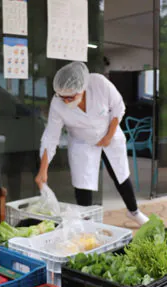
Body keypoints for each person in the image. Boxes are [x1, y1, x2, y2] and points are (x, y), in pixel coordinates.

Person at [35, 62, 149, 226]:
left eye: (70, 97)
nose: (66, 101)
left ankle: (134, 212)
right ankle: (86, 223)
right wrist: (43, 169)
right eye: (62, 97)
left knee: (120, 175)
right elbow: (50, 137)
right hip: (83, 142)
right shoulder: (57, 104)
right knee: (83, 184)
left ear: (82, 88)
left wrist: (109, 136)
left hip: (109, 134)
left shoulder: (99, 83)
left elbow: (118, 107)